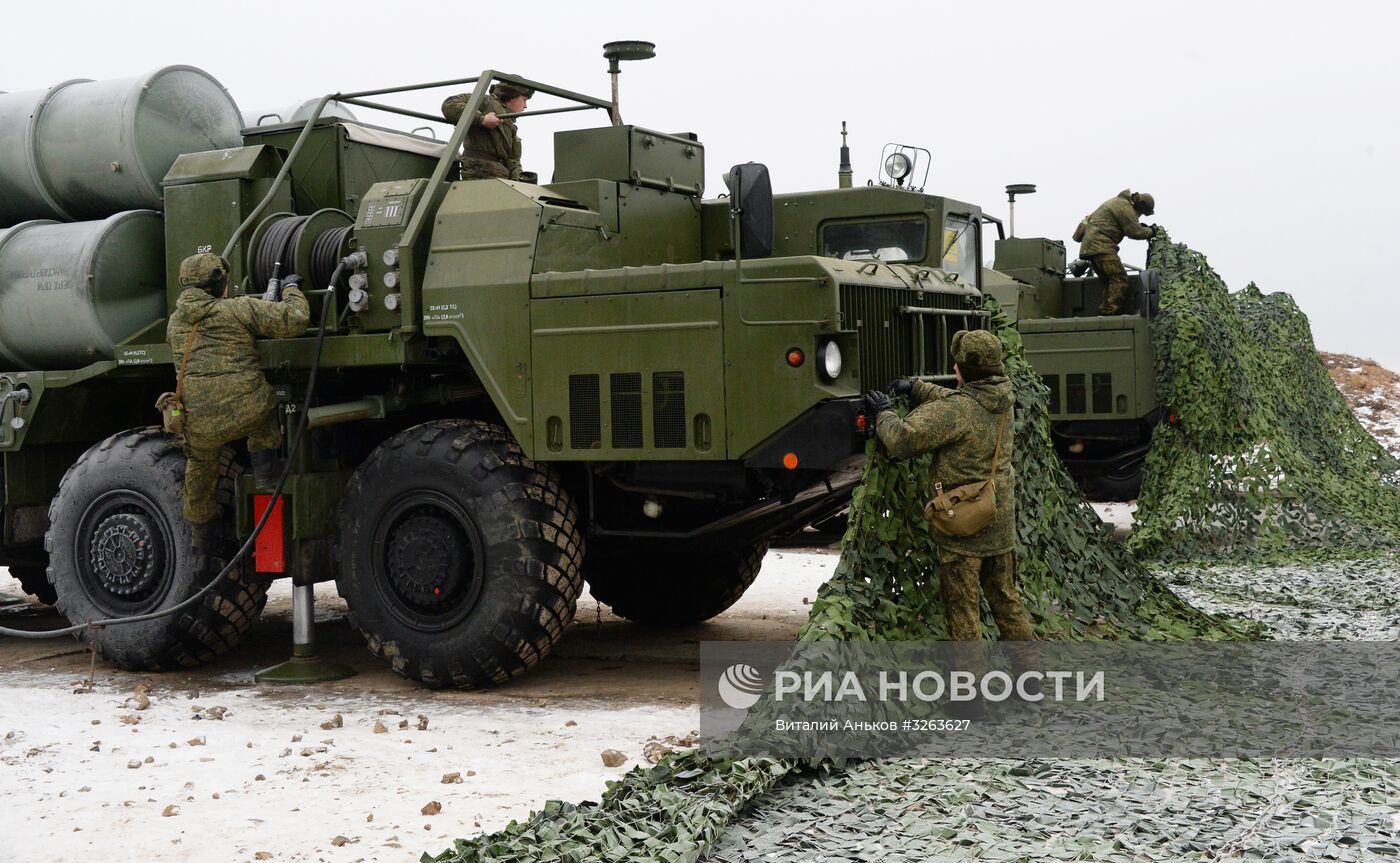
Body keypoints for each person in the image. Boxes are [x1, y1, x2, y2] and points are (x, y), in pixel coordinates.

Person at [865, 330, 1037, 715]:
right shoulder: (1003, 397)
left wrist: (884, 413)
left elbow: (903, 440)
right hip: (999, 517)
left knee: (964, 610)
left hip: (963, 526)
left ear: (960, 369)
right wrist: (919, 388)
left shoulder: (958, 410)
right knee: (1007, 600)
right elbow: (957, 402)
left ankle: (969, 698)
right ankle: (1031, 682)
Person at [166, 253, 310, 553]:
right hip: (249, 412)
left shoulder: (175, 323)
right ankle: (266, 474)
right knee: (265, 413)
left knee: (200, 467)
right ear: (219, 283)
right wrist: (291, 289)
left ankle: (203, 538)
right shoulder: (239, 309)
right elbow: (295, 319)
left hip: (201, 421)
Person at [1077, 189, 1157, 315]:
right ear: (1139, 204)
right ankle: (1108, 313)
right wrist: (1152, 232)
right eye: (1140, 213)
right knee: (1119, 279)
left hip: (1092, 247)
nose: (1138, 216)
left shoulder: (1119, 202)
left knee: (1109, 281)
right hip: (1101, 246)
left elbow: (1128, 225)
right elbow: (1134, 232)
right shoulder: (1124, 206)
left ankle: (1104, 312)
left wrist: (1142, 227)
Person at [441, 82, 534, 180]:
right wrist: (482, 119)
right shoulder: (487, 102)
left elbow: (512, 160)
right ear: (512, 97)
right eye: (524, 100)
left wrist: (518, 179)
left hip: (499, 176)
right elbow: (450, 104)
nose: (525, 106)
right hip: (480, 173)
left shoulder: (510, 126)